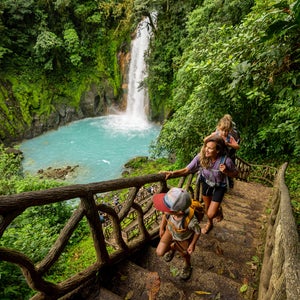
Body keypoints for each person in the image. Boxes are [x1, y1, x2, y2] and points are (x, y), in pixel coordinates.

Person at [163, 136, 239, 235]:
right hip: (206, 182)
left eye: (210, 148)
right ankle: (210, 223)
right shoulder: (201, 156)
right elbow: (187, 170)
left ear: (218, 150)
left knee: (211, 213)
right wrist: (172, 173)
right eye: (206, 146)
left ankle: (216, 212)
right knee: (207, 208)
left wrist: (226, 171)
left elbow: (236, 173)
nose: (206, 150)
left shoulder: (226, 161)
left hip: (219, 186)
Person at [153, 187, 201, 280]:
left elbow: (197, 231)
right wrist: (161, 228)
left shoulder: (191, 221)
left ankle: (187, 265)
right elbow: (165, 215)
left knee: (185, 254)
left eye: (166, 208)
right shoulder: (170, 212)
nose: (164, 209)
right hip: (170, 231)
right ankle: (173, 248)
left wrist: (192, 244)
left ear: (179, 211)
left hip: (183, 238)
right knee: (159, 252)